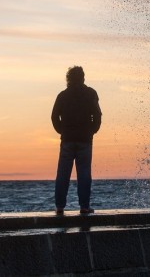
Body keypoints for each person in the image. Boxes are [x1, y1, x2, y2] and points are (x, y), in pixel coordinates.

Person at [51, 66, 102, 215]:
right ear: (83, 78)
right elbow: (98, 115)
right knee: (84, 174)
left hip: (67, 139)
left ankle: (60, 206)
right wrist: (92, 131)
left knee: (63, 174)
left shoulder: (62, 95)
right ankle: (84, 206)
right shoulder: (91, 93)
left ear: (68, 78)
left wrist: (62, 131)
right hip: (85, 140)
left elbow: (54, 117)